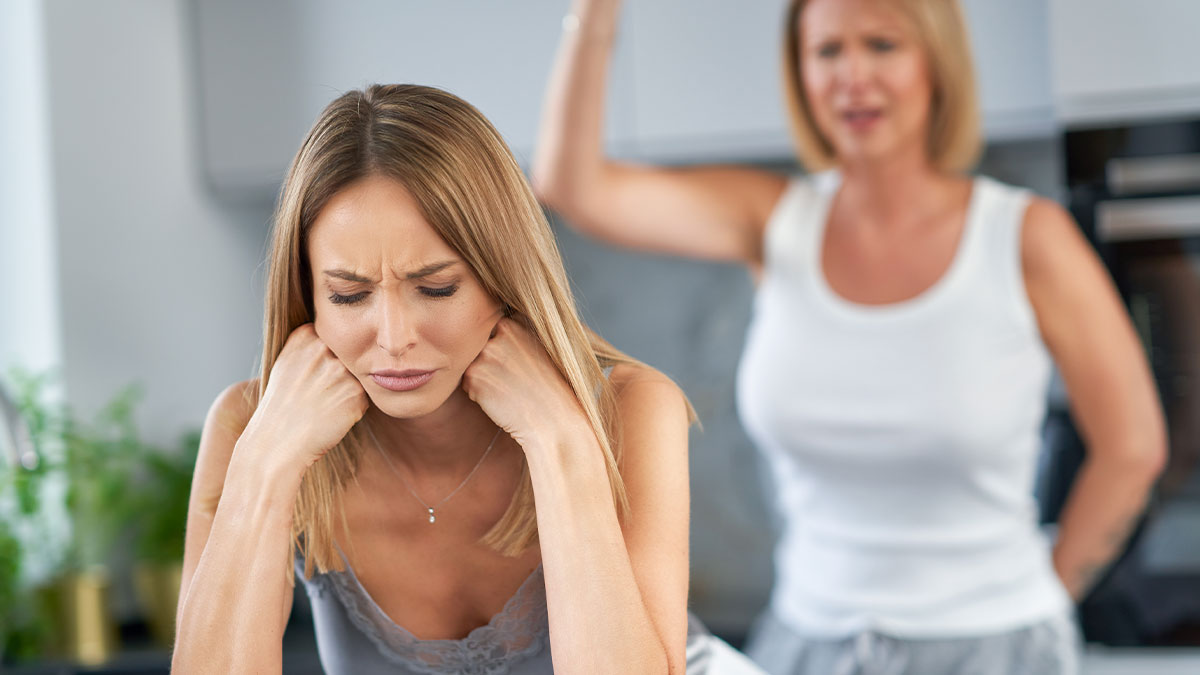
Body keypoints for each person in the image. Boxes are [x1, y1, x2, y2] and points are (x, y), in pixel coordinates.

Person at [532, 0, 1168, 672]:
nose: (852, 76)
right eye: (828, 51)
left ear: (936, 61)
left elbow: (1133, 447)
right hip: (808, 643)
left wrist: (1039, 596)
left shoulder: (1025, 237)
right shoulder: (775, 221)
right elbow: (572, 184)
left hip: (995, 645)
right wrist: (595, 13)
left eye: (882, 46)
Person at [172, 84, 708, 674]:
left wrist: (558, 441)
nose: (394, 336)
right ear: (309, 297)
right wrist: (266, 464)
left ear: (503, 275)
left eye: (436, 288)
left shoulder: (631, 408)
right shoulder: (251, 426)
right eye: (349, 295)